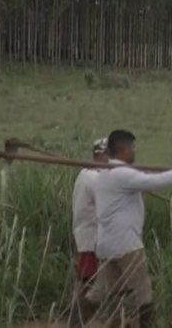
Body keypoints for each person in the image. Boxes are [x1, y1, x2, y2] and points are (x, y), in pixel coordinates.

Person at [84, 130, 172, 328]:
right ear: (124, 150)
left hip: (106, 244)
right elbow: (158, 181)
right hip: (126, 244)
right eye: (132, 148)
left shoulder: (104, 174)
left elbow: (138, 184)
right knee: (143, 290)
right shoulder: (122, 174)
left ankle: (72, 322)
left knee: (99, 292)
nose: (134, 151)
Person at [68, 137, 108, 327]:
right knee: (89, 284)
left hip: (88, 238)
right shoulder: (93, 178)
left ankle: (75, 320)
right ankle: (75, 322)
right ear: (101, 155)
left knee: (86, 283)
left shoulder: (86, 174)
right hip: (91, 239)